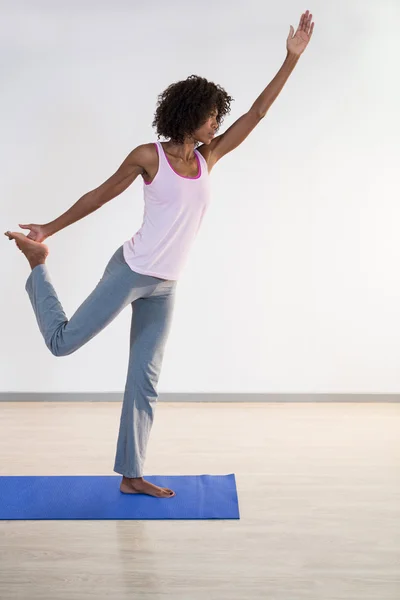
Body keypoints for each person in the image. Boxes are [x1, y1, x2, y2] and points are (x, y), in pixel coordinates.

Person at [4, 12, 314, 498]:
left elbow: (256, 114)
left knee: (144, 381)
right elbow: (100, 195)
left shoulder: (207, 158)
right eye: (212, 115)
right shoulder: (149, 157)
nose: (218, 122)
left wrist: (290, 59)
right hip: (130, 271)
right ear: (190, 115)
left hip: (165, 285)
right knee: (63, 345)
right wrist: (49, 228)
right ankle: (38, 266)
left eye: (218, 116)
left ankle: (131, 475)